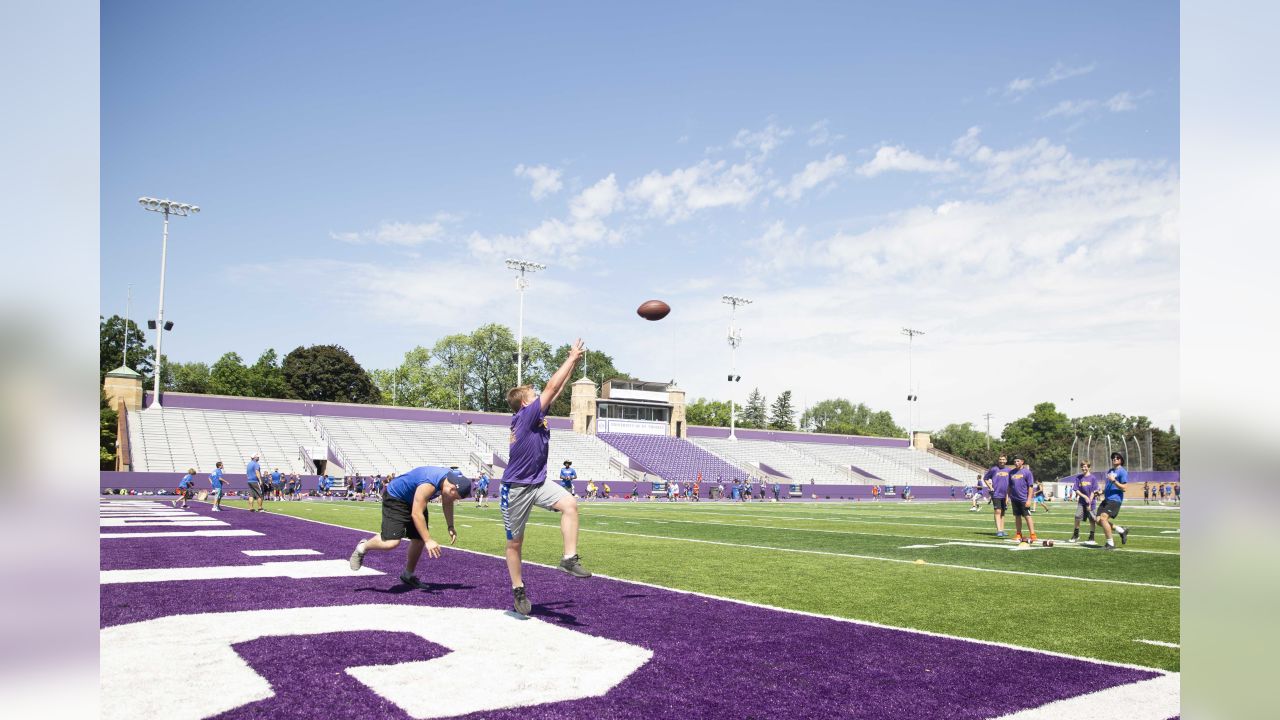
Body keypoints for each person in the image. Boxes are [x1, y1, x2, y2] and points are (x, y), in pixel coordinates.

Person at [501, 339, 591, 616]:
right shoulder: (526, 415)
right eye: (532, 392)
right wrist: (572, 356)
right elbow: (552, 387)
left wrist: (573, 363)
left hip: (538, 483)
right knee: (515, 543)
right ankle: (518, 588)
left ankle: (568, 558)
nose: (538, 393)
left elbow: (557, 389)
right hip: (516, 488)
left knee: (570, 504)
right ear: (525, 402)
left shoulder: (535, 413)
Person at [348, 466, 472, 587]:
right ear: (452, 489)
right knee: (391, 542)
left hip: (415, 499)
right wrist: (428, 540)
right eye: (455, 497)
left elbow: (447, 502)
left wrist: (450, 526)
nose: (453, 500)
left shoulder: (452, 479)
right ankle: (362, 547)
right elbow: (416, 514)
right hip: (397, 497)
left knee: (419, 540)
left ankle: (408, 575)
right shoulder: (428, 484)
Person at [1098, 452, 1131, 550]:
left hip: (1115, 499)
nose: (1115, 459)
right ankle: (1121, 530)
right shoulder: (1110, 470)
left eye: (1117, 458)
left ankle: (1110, 544)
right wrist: (1101, 492)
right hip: (1107, 499)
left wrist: (1113, 480)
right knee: (1098, 520)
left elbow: (1124, 488)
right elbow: (1109, 486)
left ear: (1121, 460)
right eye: (1113, 458)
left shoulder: (1122, 472)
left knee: (1103, 519)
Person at [1068, 462, 1100, 544]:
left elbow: (1094, 490)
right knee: (1077, 516)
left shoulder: (1093, 478)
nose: (1083, 468)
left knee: (1092, 520)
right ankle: (1076, 535)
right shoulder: (1079, 477)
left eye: (1085, 467)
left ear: (1089, 468)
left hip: (1091, 502)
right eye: (1082, 467)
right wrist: (1084, 497)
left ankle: (1092, 538)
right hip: (1082, 502)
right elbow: (1076, 489)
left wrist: (1089, 501)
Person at [1007, 456, 1037, 544]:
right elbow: (1009, 486)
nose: (1016, 463)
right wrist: (1007, 497)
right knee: (1017, 517)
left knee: (1027, 516)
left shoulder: (1027, 472)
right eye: (1015, 461)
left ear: (1022, 462)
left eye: (1018, 461)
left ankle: (1033, 534)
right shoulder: (1011, 472)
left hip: (1024, 499)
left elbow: (1030, 487)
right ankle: (1018, 534)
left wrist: (1029, 500)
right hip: (1014, 499)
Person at [983, 454, 1012, 538]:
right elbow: (985, 478)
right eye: (1000, 459)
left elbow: (1010, 484)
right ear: (998, 460)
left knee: (1003, 512)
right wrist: (990, 487)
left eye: (1003, 459)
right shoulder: (994, 469)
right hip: (996, 494)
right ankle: (999, 530)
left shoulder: (1009, 470)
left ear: (1006, 461)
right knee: (998, 511)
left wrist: (1008, 496)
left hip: (1005, 494)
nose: (1002, 461)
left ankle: (1002, 530)